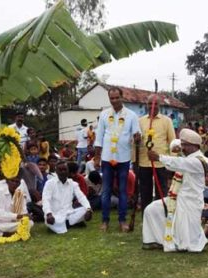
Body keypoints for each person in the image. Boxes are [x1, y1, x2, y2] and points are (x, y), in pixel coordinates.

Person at [142, 129, 208, 252]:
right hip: (176, 198)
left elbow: (180, 163)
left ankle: (204, 233)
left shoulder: (200, 161)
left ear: (193, 146)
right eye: (182, 144)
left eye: (184, 145)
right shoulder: (187, 156)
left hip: (191, 202)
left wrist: (159, 157)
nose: (182, 147)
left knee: (189, 244)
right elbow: (177, 152)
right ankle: (156, 240)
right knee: (151, 209)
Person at [93, 87, 141, 232]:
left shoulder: (132, 115)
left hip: (124, 158)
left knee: (122, 191)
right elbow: (99, 136)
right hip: (107, 158)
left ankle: (122, 220)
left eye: (116, 98)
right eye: (111, 98)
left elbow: (137, 135)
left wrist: (138, 137)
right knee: (106, 190)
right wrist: (97, 157)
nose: (114, 101)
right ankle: (105, 221)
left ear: (122, 97)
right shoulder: (104, 115)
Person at [138, 94, 175, 211]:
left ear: (160, 105)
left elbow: (173, 143)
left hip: (161, 163)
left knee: (161, 193)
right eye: (149, 103)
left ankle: (161, 218)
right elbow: (135, 143)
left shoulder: (167, 121)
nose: (152, 106)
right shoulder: (140, 121)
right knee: (145, 193)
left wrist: (172, 163)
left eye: (155, 104)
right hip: (144, 163)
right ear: (146, 105)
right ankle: (147, 219)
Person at [42, 161, 92, 234]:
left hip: (69, 214)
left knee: (85, 210)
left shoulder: (73, 184)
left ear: (68, 171)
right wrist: (49, 214)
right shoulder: (49, 183)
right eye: (60, 170)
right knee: (49, 220)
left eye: (65, 169)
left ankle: (65, 224)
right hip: (54, 215)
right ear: (56, 171)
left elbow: (81, 197)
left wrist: (88, 209)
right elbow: (46, 200)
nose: (63, 172)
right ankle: (71, 224)